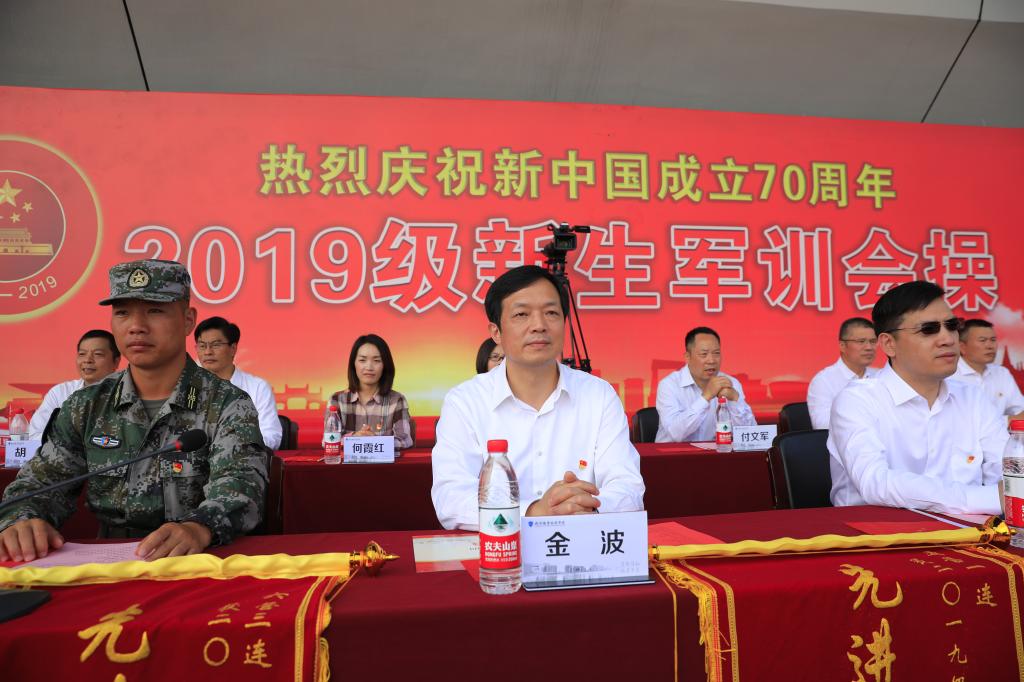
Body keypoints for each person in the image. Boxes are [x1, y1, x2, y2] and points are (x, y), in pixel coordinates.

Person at [0, 259, 267, 563]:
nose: (136, 326)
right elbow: (39, 484)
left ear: (188, 320)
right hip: (109, 566)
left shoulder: (227, 403)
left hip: (195, 562)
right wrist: (22, 519)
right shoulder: (86, 405)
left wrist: (200, 526)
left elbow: (241, 487)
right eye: (122, 313)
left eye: (154, 311)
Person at [431, 265, 644, 530]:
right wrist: (533, 512)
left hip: (582, 542)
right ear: (496, 332)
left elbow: (628, 486)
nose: (539, 325)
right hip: (500, 548)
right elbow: (451, 499)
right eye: (521, 314)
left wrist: (581, 508)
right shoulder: (465, 402)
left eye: (551, 313)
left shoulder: (599, 396)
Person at [828, 281, 1005, 514]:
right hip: (876, 531)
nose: (948, 339)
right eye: (928, 329)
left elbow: (1008, 470)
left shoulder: (973, 398)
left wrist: (1005, 493)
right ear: (889, 344)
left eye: (952, 326)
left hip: (970, 531)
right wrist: (986, 498)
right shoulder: (856, 401)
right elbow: (875, 482)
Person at [194, 316, 282, 450]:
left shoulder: (257, 387)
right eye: (202, 346)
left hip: (241, 458)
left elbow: (272, 437)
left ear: (233, 348)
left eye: (216, 345)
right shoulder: (190, 388)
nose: (207, 352)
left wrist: (235, 445)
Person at [655, 326, 756, 442]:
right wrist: (706, 397)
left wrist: (735, 400)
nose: (711, 360)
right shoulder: (669, 385)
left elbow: (751, 435)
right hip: (673, 452)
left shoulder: (731, 383)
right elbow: (676, 433)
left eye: (716, 353)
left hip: (716, 452)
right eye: (704, 354)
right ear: (688, 357)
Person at [28, 330, 121, 440]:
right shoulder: (60, 393)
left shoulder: (127, 393)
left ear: (116, 361)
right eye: (82, 354)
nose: (87, 360)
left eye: (98, 354)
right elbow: (35, 436)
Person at [328, 334, 414, 450]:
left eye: (376, 360)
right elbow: (328, 440)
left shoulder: (396, 400)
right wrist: (355, 438)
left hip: (384, 462)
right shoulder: (337, 400)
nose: (369, 367)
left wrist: (375, 441)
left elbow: (405, 440)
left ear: (385, 365)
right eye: (362, 360)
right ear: (354, 364)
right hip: (346, 462)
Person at [806, 318, 880, 429]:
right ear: (842, 346)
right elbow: (822, 425)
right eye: (861, 341)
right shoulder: (824, 381)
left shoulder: (880, 376)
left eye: (873, 341)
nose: (869, 347)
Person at [949, 319, 1024, 421]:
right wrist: (1007, 421)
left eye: (993, 340)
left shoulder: (1001, 373)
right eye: (982, 340)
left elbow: (1019, 411)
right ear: (962, 347)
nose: (990, 346)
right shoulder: (949, 375)